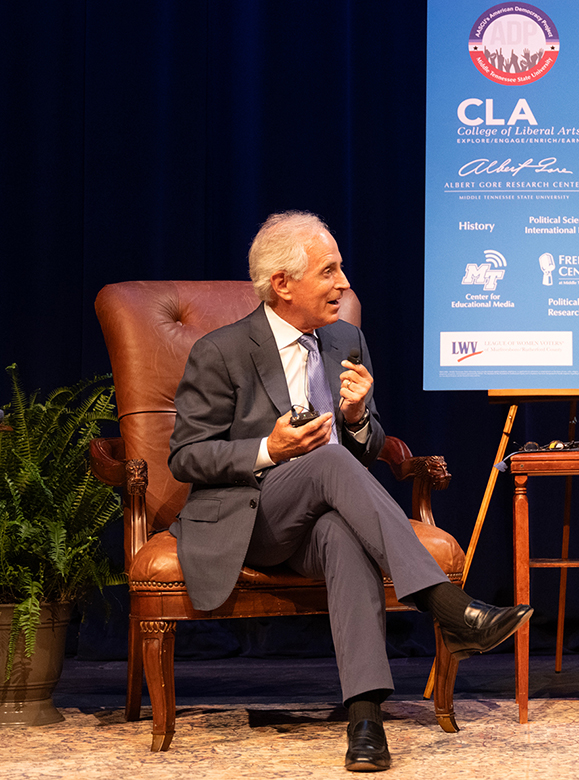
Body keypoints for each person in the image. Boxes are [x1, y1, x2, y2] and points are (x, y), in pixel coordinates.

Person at [168, 210, 533, 772]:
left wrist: (359, 417)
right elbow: (186, 456)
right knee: (329, 459)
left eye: (340, 268)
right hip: (253, 517)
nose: (343, 283)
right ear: (282, 283)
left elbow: (369, 449)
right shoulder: (223, 350)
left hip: (322, 516)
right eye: (329, 271)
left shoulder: (345, 338)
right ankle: (447, 607)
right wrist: (270, 448)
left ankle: (365, 724)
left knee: (342, 533)